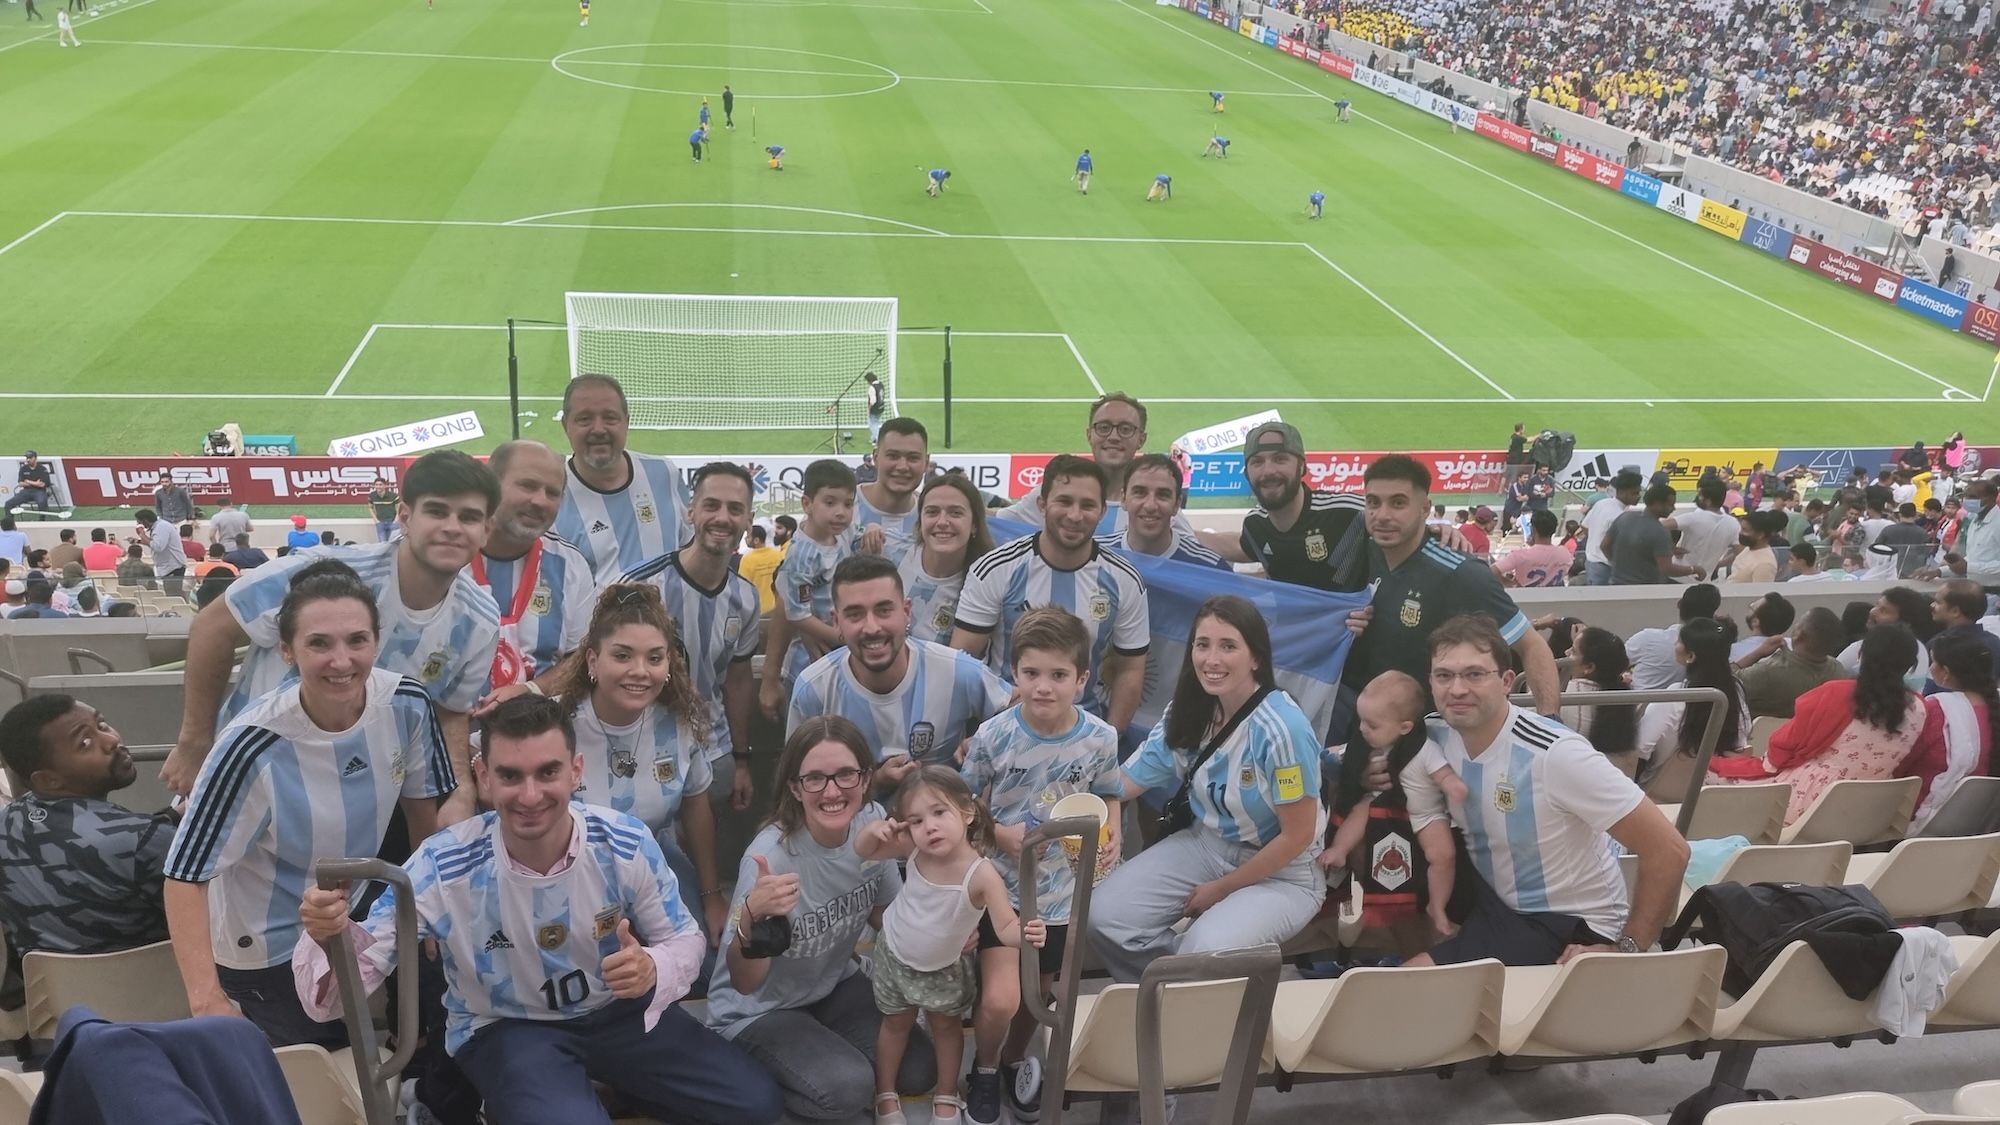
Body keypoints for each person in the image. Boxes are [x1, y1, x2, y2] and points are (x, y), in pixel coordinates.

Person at [293, 695, 781, 1125]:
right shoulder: (442, 864)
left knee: (754, 1104)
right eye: (510, 775)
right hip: (508, 1025)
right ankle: (517, 1099)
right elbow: (338, 997)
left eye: (547, 772)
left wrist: (653, 966)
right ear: (484, 776)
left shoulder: (624, 841)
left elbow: (686, 939)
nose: (530, 796)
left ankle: (598, 1089)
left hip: (615, 1012)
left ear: (575, 770)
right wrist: (328, 936)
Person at [162, 560, 456, 1045]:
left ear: (376, 642)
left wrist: (426, 909)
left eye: (357, 641)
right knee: (321, 1080)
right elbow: (184, 876)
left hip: (345, 926)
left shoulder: (408, 704)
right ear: (287, 651)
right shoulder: (250, 746)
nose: (341, 661)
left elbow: (424, 814)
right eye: (319, 643)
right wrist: (206, 1000)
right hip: (264, 949)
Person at [160, 451, 501, 823]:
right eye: (437, 511)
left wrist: (458, 788)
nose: (452, 527)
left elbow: (450, 709)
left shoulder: (480, 620)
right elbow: (214, 625)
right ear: (404, 516)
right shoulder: (324, 571)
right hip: (252, 772)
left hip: (359, 800)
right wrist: (194, 741)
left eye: (468, 517)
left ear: (487, 529)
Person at [1402, 616, 1689, 967]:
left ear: (1507, 681)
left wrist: (1628, 948)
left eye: (1475, 674)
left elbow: (1669, 850)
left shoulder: (1556, 754)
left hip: (1565, 921)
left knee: (1408, 982)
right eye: (1444, 675)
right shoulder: (1435, 735)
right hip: (1496, 901)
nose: (1457, 689)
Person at [704, 717, 939, 1121]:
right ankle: (750, 1079)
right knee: (850, 1087)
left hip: (830, 984)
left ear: (866, 779)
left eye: (846, 775)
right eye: (815, 778)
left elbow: (889, 917)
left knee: (919, 1069)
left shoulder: (872, 822)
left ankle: (818, 1060)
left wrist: (933, 895)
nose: (832, 791)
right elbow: (744, 984)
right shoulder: (771, 859)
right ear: (795, 788)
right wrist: (751, 922)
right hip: (759, 1010)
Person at [1089, 596, 1325, 980]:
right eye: (1203, 645)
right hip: (1206, 844)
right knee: (1105, 917)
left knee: (1205, 952)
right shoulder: (1187, 710)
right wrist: (1110, 810)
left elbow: (1297, 836)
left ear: (1256, 658)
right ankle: (1172, 995)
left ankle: (1196, 994)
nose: (1211, 660)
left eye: (1228, 646)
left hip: (1286, 872)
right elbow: (1122, 782)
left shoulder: (1283, 729)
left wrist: (1221, 889)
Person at [956, 608, 1119, 1124]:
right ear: (1014, 673)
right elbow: (963, 805)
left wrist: (1110, 833)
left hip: (1063, 892)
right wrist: (999, 833)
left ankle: (1011, 1060)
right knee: (1002, 998)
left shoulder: (1100, 738)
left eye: (1058, 675)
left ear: (1082, 679)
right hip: (1004, 889)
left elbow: (1110, 793)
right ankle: (981, 1068)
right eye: (1031, 674)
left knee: (1038, 993)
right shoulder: (993, 736)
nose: (1043, 687)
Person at [540, 584, 728, 956]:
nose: (640, 671)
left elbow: (696, 809)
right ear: (593, 661)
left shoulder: (679, 725)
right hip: (571, 873)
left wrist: (711, 896)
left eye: (655, 658)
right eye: (623, 656)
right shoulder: (552, 722)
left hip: (655, 862)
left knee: (704, 963)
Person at [858, 767, 1044, 1125]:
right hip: (895, 956)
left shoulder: (981, 873)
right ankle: (885, 1092)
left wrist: (1028, 934)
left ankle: (946, 1093)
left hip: (944, 968)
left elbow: (1004, 925)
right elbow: (864, 850)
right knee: (894, 1026)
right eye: (916, 819)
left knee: (947, 1029)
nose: (929, 826)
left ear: (967, 812)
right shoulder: (912, 847)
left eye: (939, 813)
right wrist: (873, 831)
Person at [1345, 455, 1560, 715]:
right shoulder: (1361, 548)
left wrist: (1550, 721)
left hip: (1433, 734)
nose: (1382, 515)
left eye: (1398, 503)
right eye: (1373, 503)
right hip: (1369, 723)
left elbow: (1531, 645)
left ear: (1425, 509)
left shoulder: (1461, 573)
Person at [952, 456, 1149, 733]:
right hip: (1005, 731)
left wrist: (1108, 740)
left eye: (1088, 505)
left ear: (1103, 511)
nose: (1075, 515)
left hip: (1082, 736)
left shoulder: (1124, 579)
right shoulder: (996, 568)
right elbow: (962, 660)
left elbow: (1130, 669)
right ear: (1042, 504)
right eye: (1064, 501)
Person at [621, 463, 762, 808]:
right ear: (691, 511)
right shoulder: (639, 587)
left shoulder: (746, 597)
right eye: (711, 505)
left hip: (715, 751)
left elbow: (739, 681)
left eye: (735, 509)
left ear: (749, 519)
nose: (722, 518)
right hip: (645, 750)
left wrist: (742, 759)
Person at [792, 554, 1009, 777]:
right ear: (836, 621)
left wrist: (985, 740)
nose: (872, 627)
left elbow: (1022, 708)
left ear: (906, 612)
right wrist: (874, 783)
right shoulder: (813, 689)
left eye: (884, 610)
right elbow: (800, 784)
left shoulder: (954, 670)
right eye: (855, 614)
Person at [0, 696, 175, 957]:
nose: (112, 740)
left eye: (102, 725)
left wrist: (172, 816)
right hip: (163, 990)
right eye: (85, 743)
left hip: (60, 996)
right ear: (49, 780)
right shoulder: (146, 841)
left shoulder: (7, 823)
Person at [1711, 625, 1933, 825]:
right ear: (1909, 665)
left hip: (1807, 802)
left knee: (1707, 773)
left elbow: (1784, 746)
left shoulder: (1836, 693)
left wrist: (1761, 766)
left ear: (1862, 654)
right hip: (1869, 812)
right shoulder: (1921, 708)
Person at [1321, 672, 1458, 954]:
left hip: (1427, 815)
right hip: (1384, 811)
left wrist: (1454, 786)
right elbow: (1335, 756)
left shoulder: (1424, 747)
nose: (1362, 729)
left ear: (1405, 727)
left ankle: (1438, 906)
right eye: (1360, 721)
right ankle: (1339, 850)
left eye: (1371, 724)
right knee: (1361, 811)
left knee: (1442, 856)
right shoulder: (1374, 744)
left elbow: (1442, 773)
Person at [460, 441, 596, 702]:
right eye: (528, 486)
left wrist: (531, 690)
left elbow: (581, 658)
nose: (540, 501)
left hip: (539, 730)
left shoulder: (572, 565)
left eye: (553, 493)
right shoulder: (447, 553)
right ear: (491, 485)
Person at [552, 374, 692, 584]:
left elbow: (690, 549)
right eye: (584, 419)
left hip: (668, 617)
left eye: (610, 418)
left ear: (626, 421)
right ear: (566, 425)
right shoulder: (550, 493)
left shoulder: (665, 473)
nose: (599, 429)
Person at [1205, 421, 1367, 588]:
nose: (1268, 471)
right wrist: (1179, 531)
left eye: (1280, 459)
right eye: (1257, 462)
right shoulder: (1256, 525)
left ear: (1303, 466)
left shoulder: (1350, 513)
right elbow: (1242, 547)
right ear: (1246, 473)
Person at [761, 459, 859, 717]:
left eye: (848, 504)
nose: (841, 512)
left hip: (841, 651)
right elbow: (797, 613)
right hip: (813, 657)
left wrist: (871, 530)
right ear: (807, 504)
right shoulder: (802, 554)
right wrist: (842, 636)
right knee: (810, 730)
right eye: (830, 502)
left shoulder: (842, 533)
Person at [1634, 618, 1750, 799]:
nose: (1675, 643)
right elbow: (1741, 744)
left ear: (1691, 656)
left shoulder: (1674, 697)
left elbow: (1639, 749)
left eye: (1679, 641)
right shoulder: (1736, 691)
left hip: (1659, 794)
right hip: (1716, 791)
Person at [1901, 632, 1999, 831]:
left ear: (1945, 672)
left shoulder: (1938, 709)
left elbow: (1904, 761)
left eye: (1933, 661)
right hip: (1979, 821)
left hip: (1924, 817)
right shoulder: (1993, 706)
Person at [900, 474, 994, 645]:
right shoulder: (890, 551)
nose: (942, 522)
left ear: (974, 524)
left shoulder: (988, 584)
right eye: (932, 512)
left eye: (955, 513)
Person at [1097, 453, 1228, 569]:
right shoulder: (1095, 556)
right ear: (1123, 499)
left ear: (1177, 504)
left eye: (1163, 495)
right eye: (1140, 493)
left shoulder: (1209, 567)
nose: (1150, 506)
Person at [1741, 607, 1852, 720]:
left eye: (1798, 622)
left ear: (1798, 634)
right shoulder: (1839, 672)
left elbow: (1728, 684)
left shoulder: (1768, 672)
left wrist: (1758, 653)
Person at [1560, 627, 1642, 767]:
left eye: (1573, 651)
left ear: (1589, 667)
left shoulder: (1569, 694)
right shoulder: (1622, 699)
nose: (1566, 653)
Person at [855, 417, 930, 552]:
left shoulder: (932, 517)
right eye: (893, 456)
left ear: (926, 462)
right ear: (876, 458)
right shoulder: (843, 506)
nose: (902, 467)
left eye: (913, 458)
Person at [1602, 483, 1699, 585]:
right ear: (1657, 503)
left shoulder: (1624, 517)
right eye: (1670, 504)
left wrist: (1620, 566)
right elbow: (1667, 569)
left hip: (1616, 584)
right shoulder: (1660, 531)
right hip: (1645, 589)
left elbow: (1604, 546)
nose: (1673, 509)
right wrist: (1693, 569)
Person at [1837, 588, 1935, 680]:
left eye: (1884, 611)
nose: (1873, 612)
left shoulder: (1865, 646)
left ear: (1906, 623)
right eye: (1876, 605)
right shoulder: (1920, 648)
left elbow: (1833, 673)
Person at [1925, 579, 2000, 692]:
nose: (1932, 605)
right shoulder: (1994, 641)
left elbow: (1930, 686)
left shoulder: (1939, 644)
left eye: (1938, 602)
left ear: (1955, 611)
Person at [1579, 471, 1640, 586]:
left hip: (1592, 561)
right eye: (1635, 493)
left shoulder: (1602, 503)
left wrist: (1594, 543)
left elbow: (1585, 526)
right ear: (1622, 492)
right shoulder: (1618, 516)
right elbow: (1606, 546)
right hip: (1604, 567)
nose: (1638, 496)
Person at [1674, 479, 1737, 583]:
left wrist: (1669, 549)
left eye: (1700, 495)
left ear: (1707, 500)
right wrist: (1719, 564)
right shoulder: (1732, 523)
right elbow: (1741, 552)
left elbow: (1660, 525)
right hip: (1705, 580)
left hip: (1678, 577)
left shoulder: (1694, 517)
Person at [1492, 510, 1571, 587]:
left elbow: (1491, 571)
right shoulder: (1565, 554)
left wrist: (1508, 583)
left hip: (1525, 597)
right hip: (1554, 597)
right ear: (1554, 530)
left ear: (1533, 529)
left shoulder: (1519, 555)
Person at [1730, 593, 1796, 667]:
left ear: (1755, 621)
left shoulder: (1733, 650)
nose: (1750, 606)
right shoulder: (1794, 648)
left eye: (1751, 607)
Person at [136, 507, 188, 593]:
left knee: (173, 594)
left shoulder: (161, 527)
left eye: (139, 522)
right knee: (172, 593)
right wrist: (138, 541)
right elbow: (154, 544)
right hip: (167, 567)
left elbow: (158, 547)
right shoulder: (158, 527)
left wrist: (142, 535)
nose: (138, 524)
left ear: (145, 521)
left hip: (173, 567)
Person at [738, 524, 784, 615]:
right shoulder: (778, 555)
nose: (745, 539)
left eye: (748, 537)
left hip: (759, 610)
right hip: (778, 608)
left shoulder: (747, 559)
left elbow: (743, 587)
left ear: (756, 540)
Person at [368, 476, 399, 542]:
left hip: (392, 522)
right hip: (380, 523)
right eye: (376, 485)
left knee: (393, 544)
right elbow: (370, 508)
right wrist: (376, 521)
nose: (378, 486)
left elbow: (398, 509)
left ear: (385, 486)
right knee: (382, 544)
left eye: (380, 485)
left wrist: (395, 521)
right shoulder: (372, 496)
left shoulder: (393, 496)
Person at [862, 375, 888, 445]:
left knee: (873, 425)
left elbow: (873, 401)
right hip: (881, 407)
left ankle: (878, 440)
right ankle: (873, 439)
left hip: (875, 409)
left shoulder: (872, 388)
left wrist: (869, 409)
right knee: (875, 423)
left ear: (870, 381)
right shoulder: (881, 384)